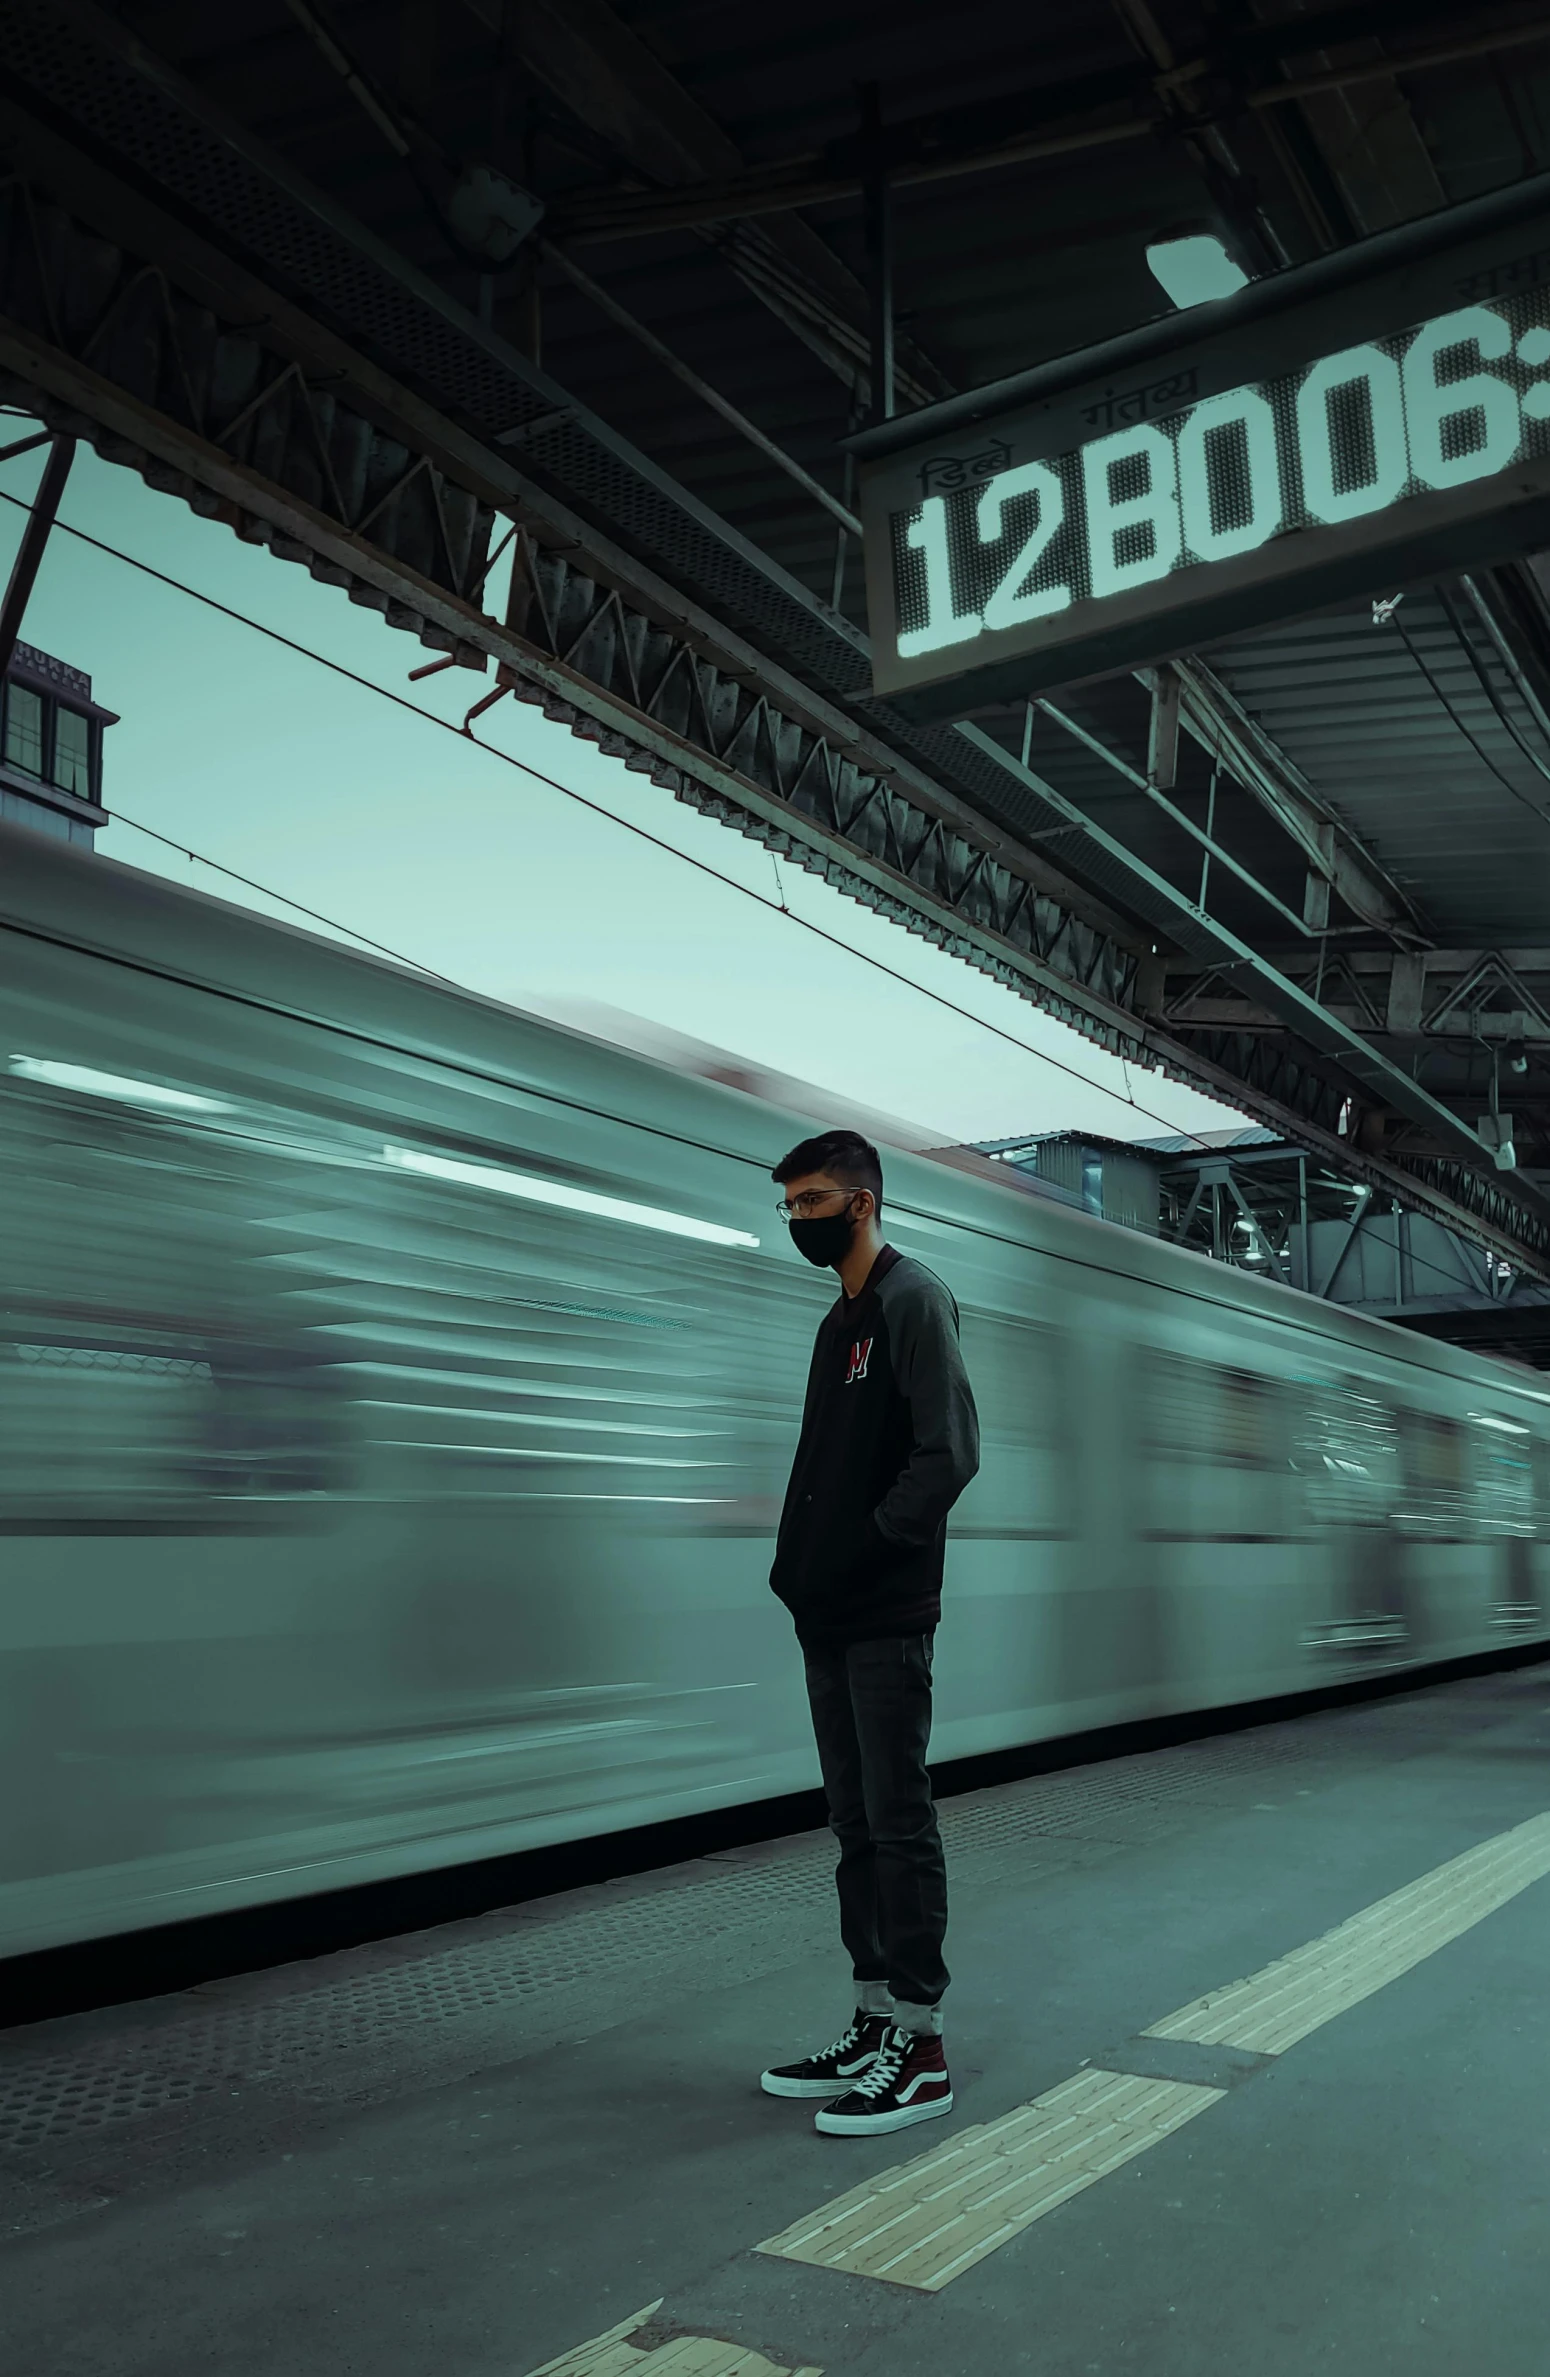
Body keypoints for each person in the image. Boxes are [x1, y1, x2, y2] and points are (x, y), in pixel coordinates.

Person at [758, 1128, 980, 2136]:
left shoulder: (908, 1300)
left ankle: (921, 2048)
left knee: (897, 1822)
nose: (798, 1221)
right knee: (852, 1825)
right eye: (788, 1206)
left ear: (860, 1201)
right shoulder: (833, 1322)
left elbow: (947, 1455)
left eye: (810, 1203)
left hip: (886, 1611)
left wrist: (858, 1551)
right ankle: (871, 2016)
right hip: (829, 1613)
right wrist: (798, 1569)